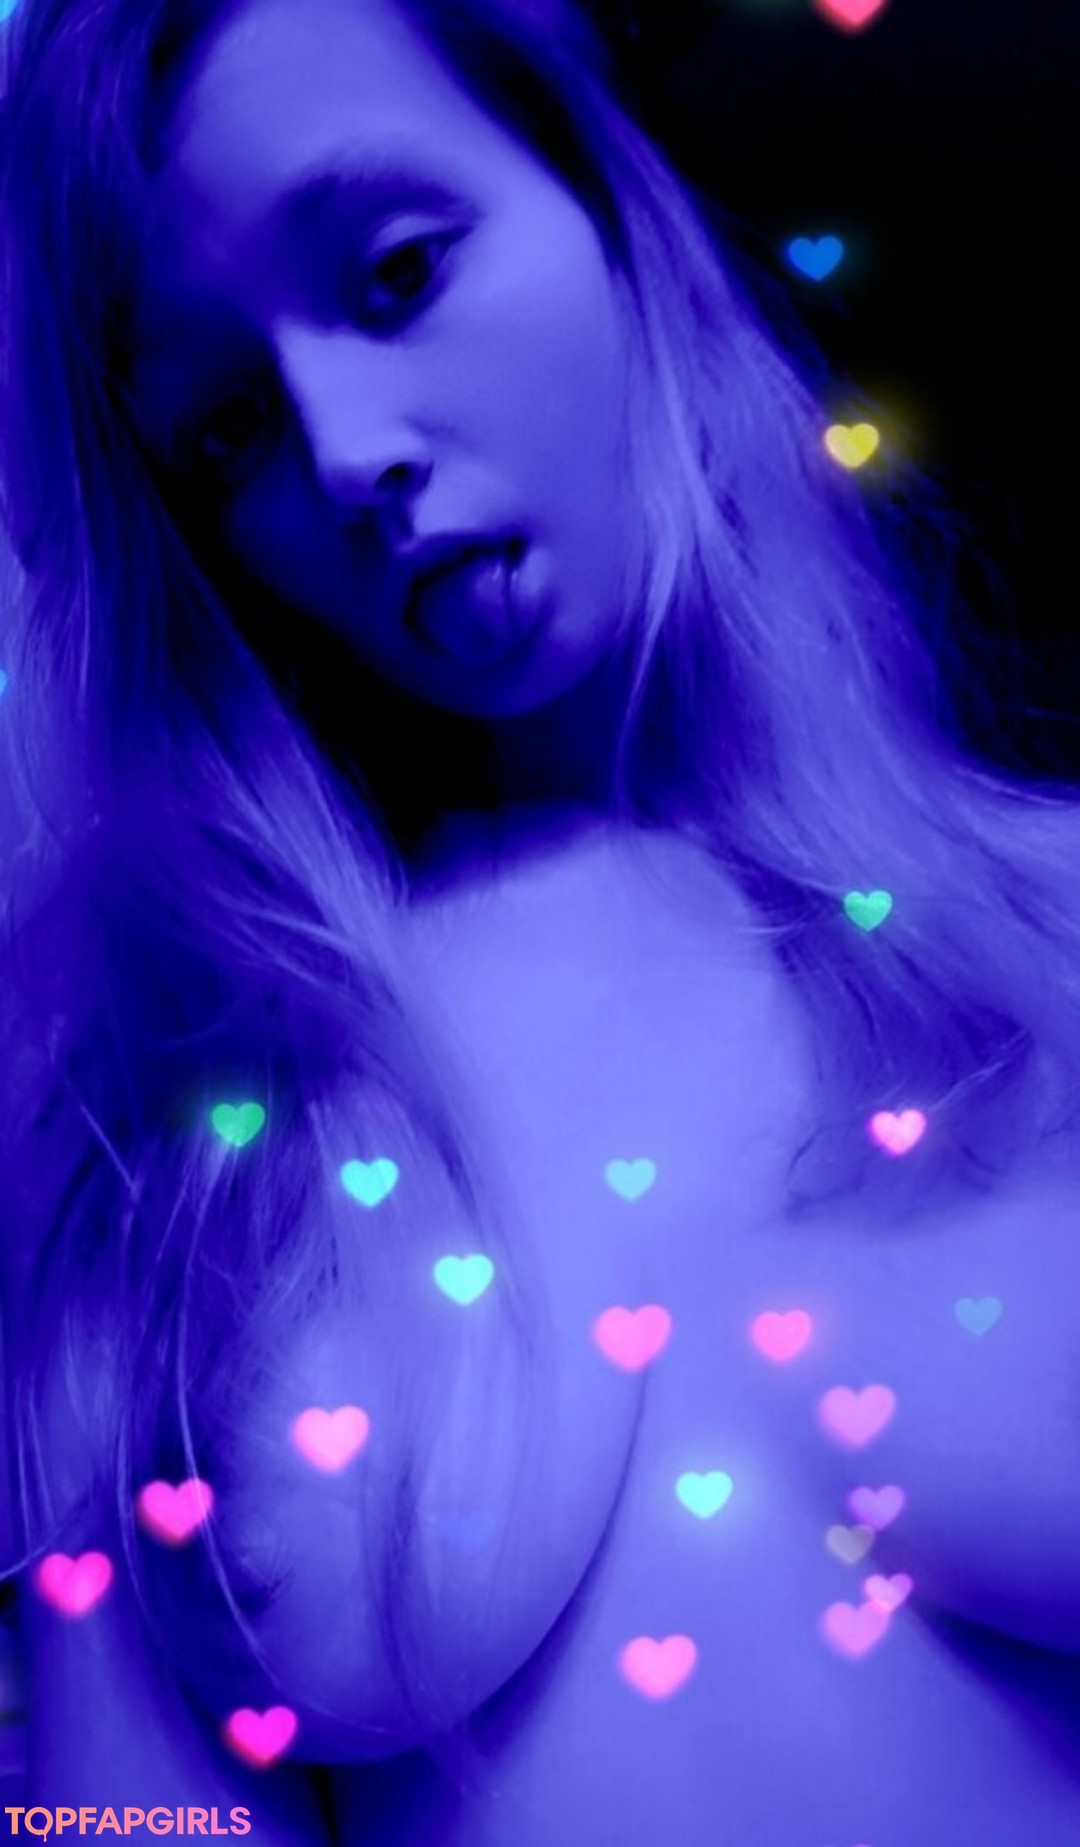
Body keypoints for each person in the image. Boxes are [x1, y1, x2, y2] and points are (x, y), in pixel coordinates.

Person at [2, 0, 1080, 1839]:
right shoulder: (178, 1149)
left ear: (611, 220)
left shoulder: (1048, 930)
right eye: (227, 425)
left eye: (399, 272)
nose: (345, 450)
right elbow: (121, 1826)